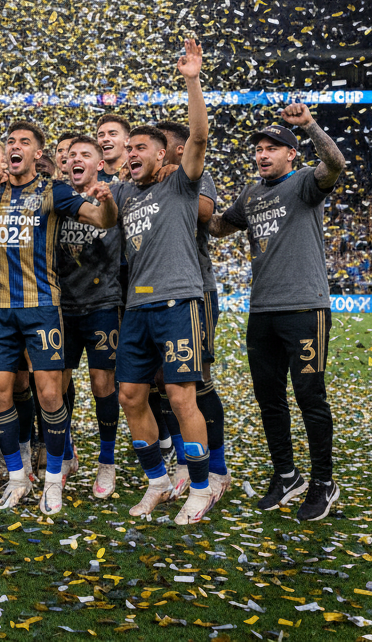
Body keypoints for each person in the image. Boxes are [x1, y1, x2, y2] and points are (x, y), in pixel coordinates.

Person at [209, 102, 346, 522]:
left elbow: (335, 164)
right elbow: (218, 226)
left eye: (272, 148)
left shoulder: (304, 181)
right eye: (258, 149)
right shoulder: (251, 194)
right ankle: (287, 475)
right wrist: (187, 195)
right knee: (269, 399)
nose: (262, 154)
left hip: (304, 307)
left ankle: (323, 481)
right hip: (262, 310)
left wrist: (310, 125)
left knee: (309, 397)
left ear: (291, 154)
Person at [0, 121, 115, 514]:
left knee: (51, 396)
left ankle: (53, 481)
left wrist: (105, 200)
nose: (15, 146)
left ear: (37, 153)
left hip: (41, 306)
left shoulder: (53, 191)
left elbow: (102, 220)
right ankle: (18, 477)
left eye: (24, 142)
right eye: (10, 141)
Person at [112, 38, 212, 526]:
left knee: (180, 396)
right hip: (136, 307)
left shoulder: (179, 181)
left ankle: (200, 487)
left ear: (162, 154)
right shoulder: (123, 194)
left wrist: (192, 80)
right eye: (127, 148)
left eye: (139, 148)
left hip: (178, 302)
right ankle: (157, 482)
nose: (131, 153)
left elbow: (199, 138)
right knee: (130, 396)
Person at [154, 120, 232, 502]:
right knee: (165, 381)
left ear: (179, 150)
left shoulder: (195, 173)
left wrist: (178, 175)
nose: (156, 151)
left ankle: (217, 469)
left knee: (197, 380)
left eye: (163, 144)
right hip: (153, 293)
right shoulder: (144, 181)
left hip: (195, 290)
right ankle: (186, 461)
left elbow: (205, 212)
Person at [55, 135, 123, 499]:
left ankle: (107, 462)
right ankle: (66, 454)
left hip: (101, 304)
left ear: (99, 164)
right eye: (71, 155)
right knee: (56, 385)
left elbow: (109, 221)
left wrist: (106, 201)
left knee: (102, 384)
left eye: (85, 154)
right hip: (61, 306)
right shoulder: (57, 196)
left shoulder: (113, 193)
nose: (76, 159)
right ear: (64, 163)